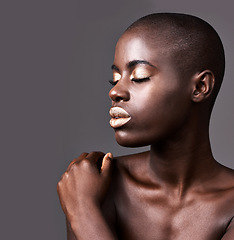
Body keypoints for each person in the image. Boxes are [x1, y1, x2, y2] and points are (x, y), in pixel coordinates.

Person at [57, 13, 234, 240]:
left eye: (139, 77)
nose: (115, 91)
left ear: (200, 87)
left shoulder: (84, 196)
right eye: (116, 78)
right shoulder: (97, 182)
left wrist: (82, 211)